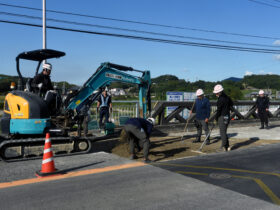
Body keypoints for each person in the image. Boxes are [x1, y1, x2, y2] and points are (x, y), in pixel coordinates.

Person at [213, 84, 233, 151]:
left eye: (216, 93)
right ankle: (227, 146)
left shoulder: (220, 100)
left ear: (219, 92)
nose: (216, 94)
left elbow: (219, 110)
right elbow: (231, 103)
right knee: (224, 131)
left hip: (222, 116)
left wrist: (216, 118)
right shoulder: (227, 97)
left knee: (222, 132)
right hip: (227, 115)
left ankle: (223, 147)